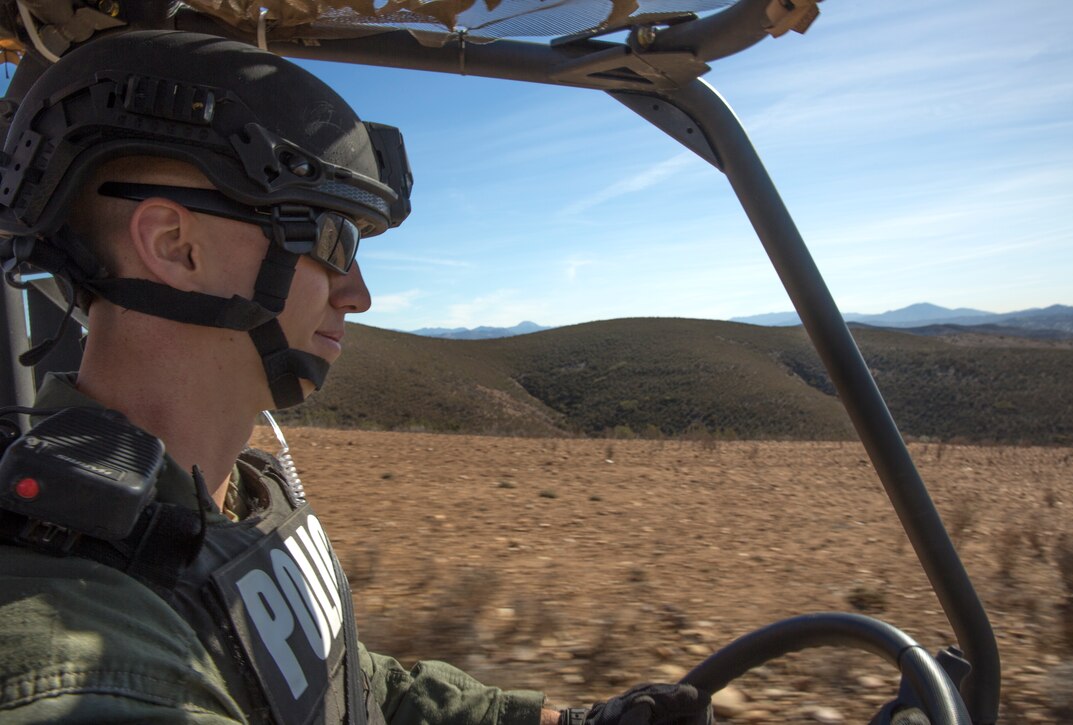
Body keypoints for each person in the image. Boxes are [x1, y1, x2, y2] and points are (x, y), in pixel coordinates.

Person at [0, 30, 712, 725]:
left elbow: (354, 686)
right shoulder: (84, 650)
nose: (359, 293)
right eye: (333, 238)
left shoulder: (236, 500)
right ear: (174, 246)